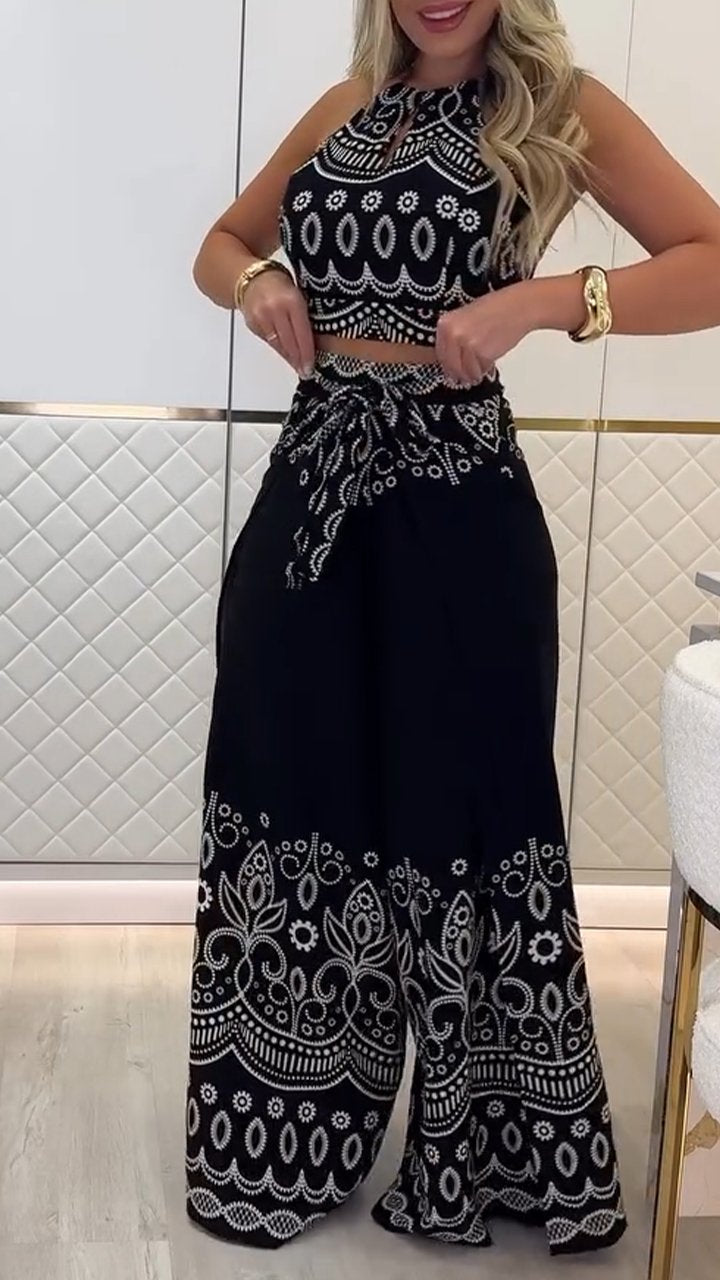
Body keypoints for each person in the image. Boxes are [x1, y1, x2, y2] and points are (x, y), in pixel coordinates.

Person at [184, 0, 720, 1257]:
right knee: (285, 783)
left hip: (462, 508)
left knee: (468, 808)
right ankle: (282, 1135)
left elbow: (710, 257)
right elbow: (219, 243)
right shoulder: (346, 106)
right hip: (312, 499)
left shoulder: (561, 109)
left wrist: (543, 302)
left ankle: (485, 1152)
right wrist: (260, 281)